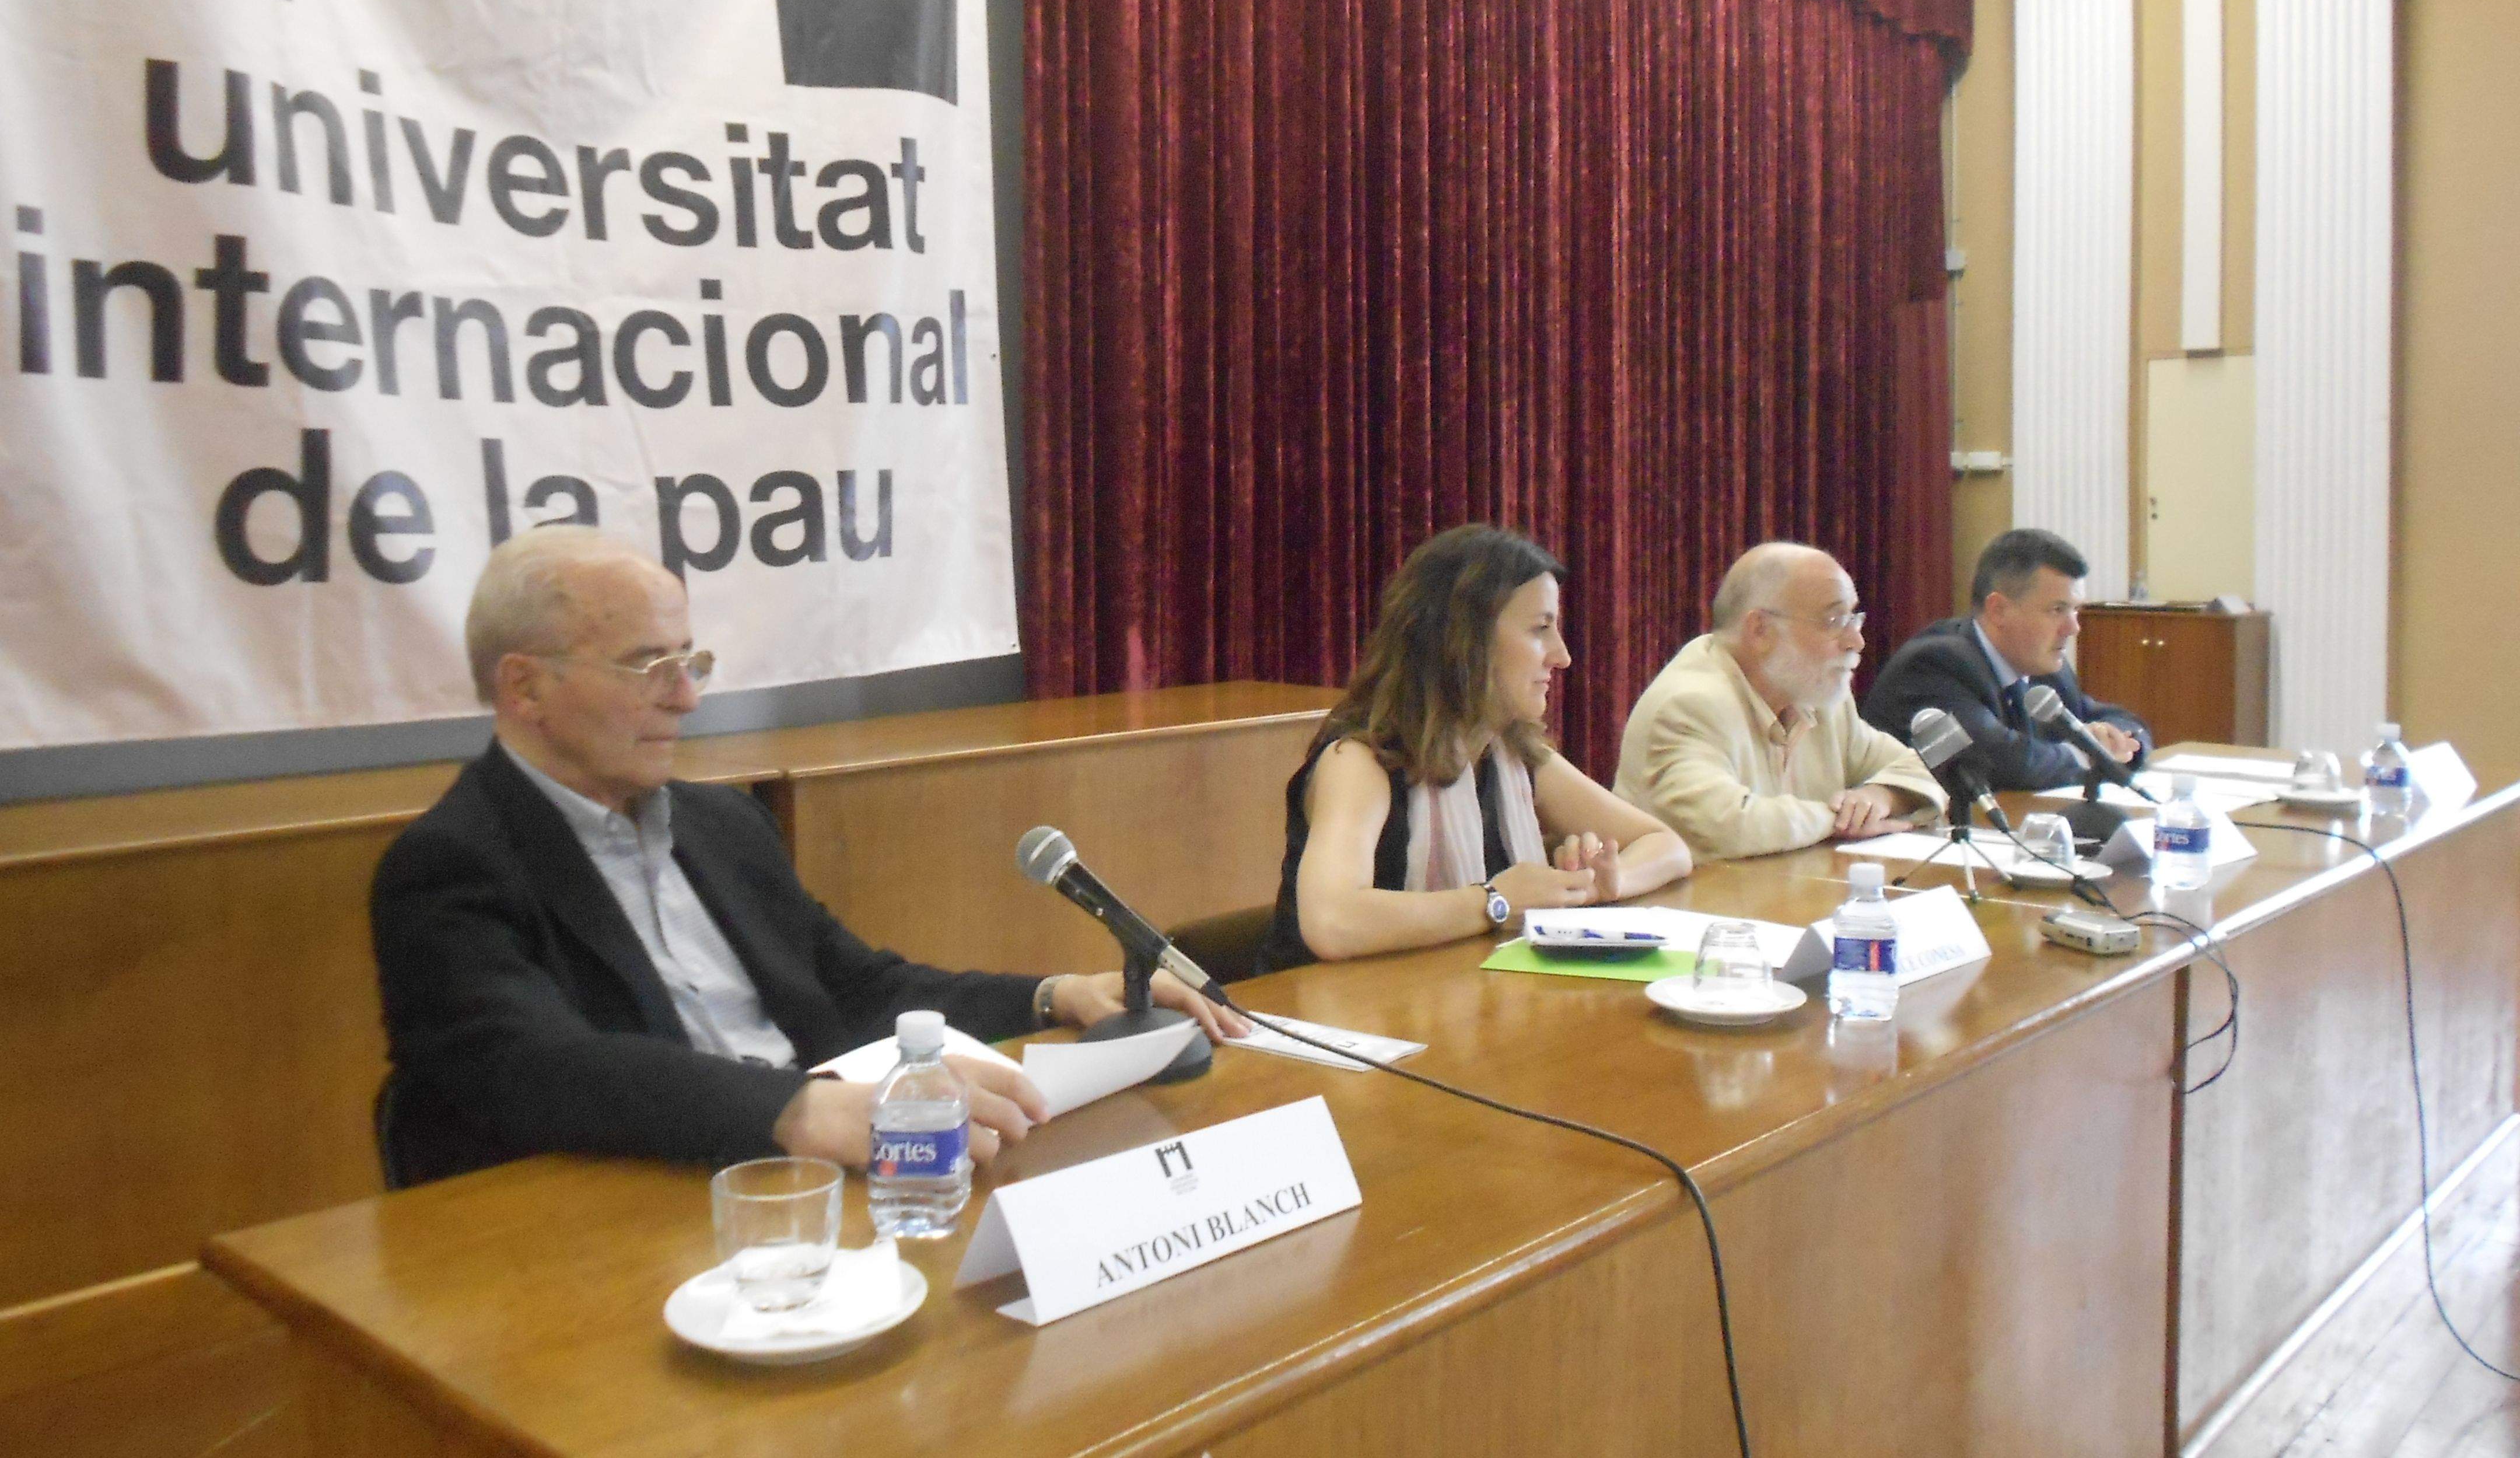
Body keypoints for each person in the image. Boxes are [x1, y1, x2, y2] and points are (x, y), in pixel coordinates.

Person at [372, 527, 1243, 1188]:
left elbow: (857, 987)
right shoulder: (450, 864)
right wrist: (800, 1109)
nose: (687, 698)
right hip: (635, 1200)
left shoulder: (721, 825)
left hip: (822, 1179)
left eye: (691, 662)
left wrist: (1055, 994)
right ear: (525, 686)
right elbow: (538, 1070)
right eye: (648, 667)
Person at [1260, 525, 1692, 974]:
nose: (1562, 656)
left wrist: (1599, 884)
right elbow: (1331, 922)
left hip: (1449, 999)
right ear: (1464, 640)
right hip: (1324, 1010)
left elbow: (1668, 846)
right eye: (1540, 629)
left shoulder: (1512, 754)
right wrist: (1495, 902)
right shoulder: (1359, 760)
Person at [1614, 542, 1945, 860]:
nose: (1856, 642)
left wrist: (1881, 797)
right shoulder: (1688, 705)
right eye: (1834, 621)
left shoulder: (1819, 699)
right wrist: (1841, 820)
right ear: (1760, 629)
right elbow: (1726, 825)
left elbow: (1926, 767)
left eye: (1854, 619)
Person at [1863, 528, 2148, 792]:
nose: (2073, 628)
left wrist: (2119, 742)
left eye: (2075, 610)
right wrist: (2090, 754)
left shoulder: (2044, 668)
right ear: (1999, 610)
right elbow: (1997, 763)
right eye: (2057, 610)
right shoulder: (1933, 665)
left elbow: (2117, 720)